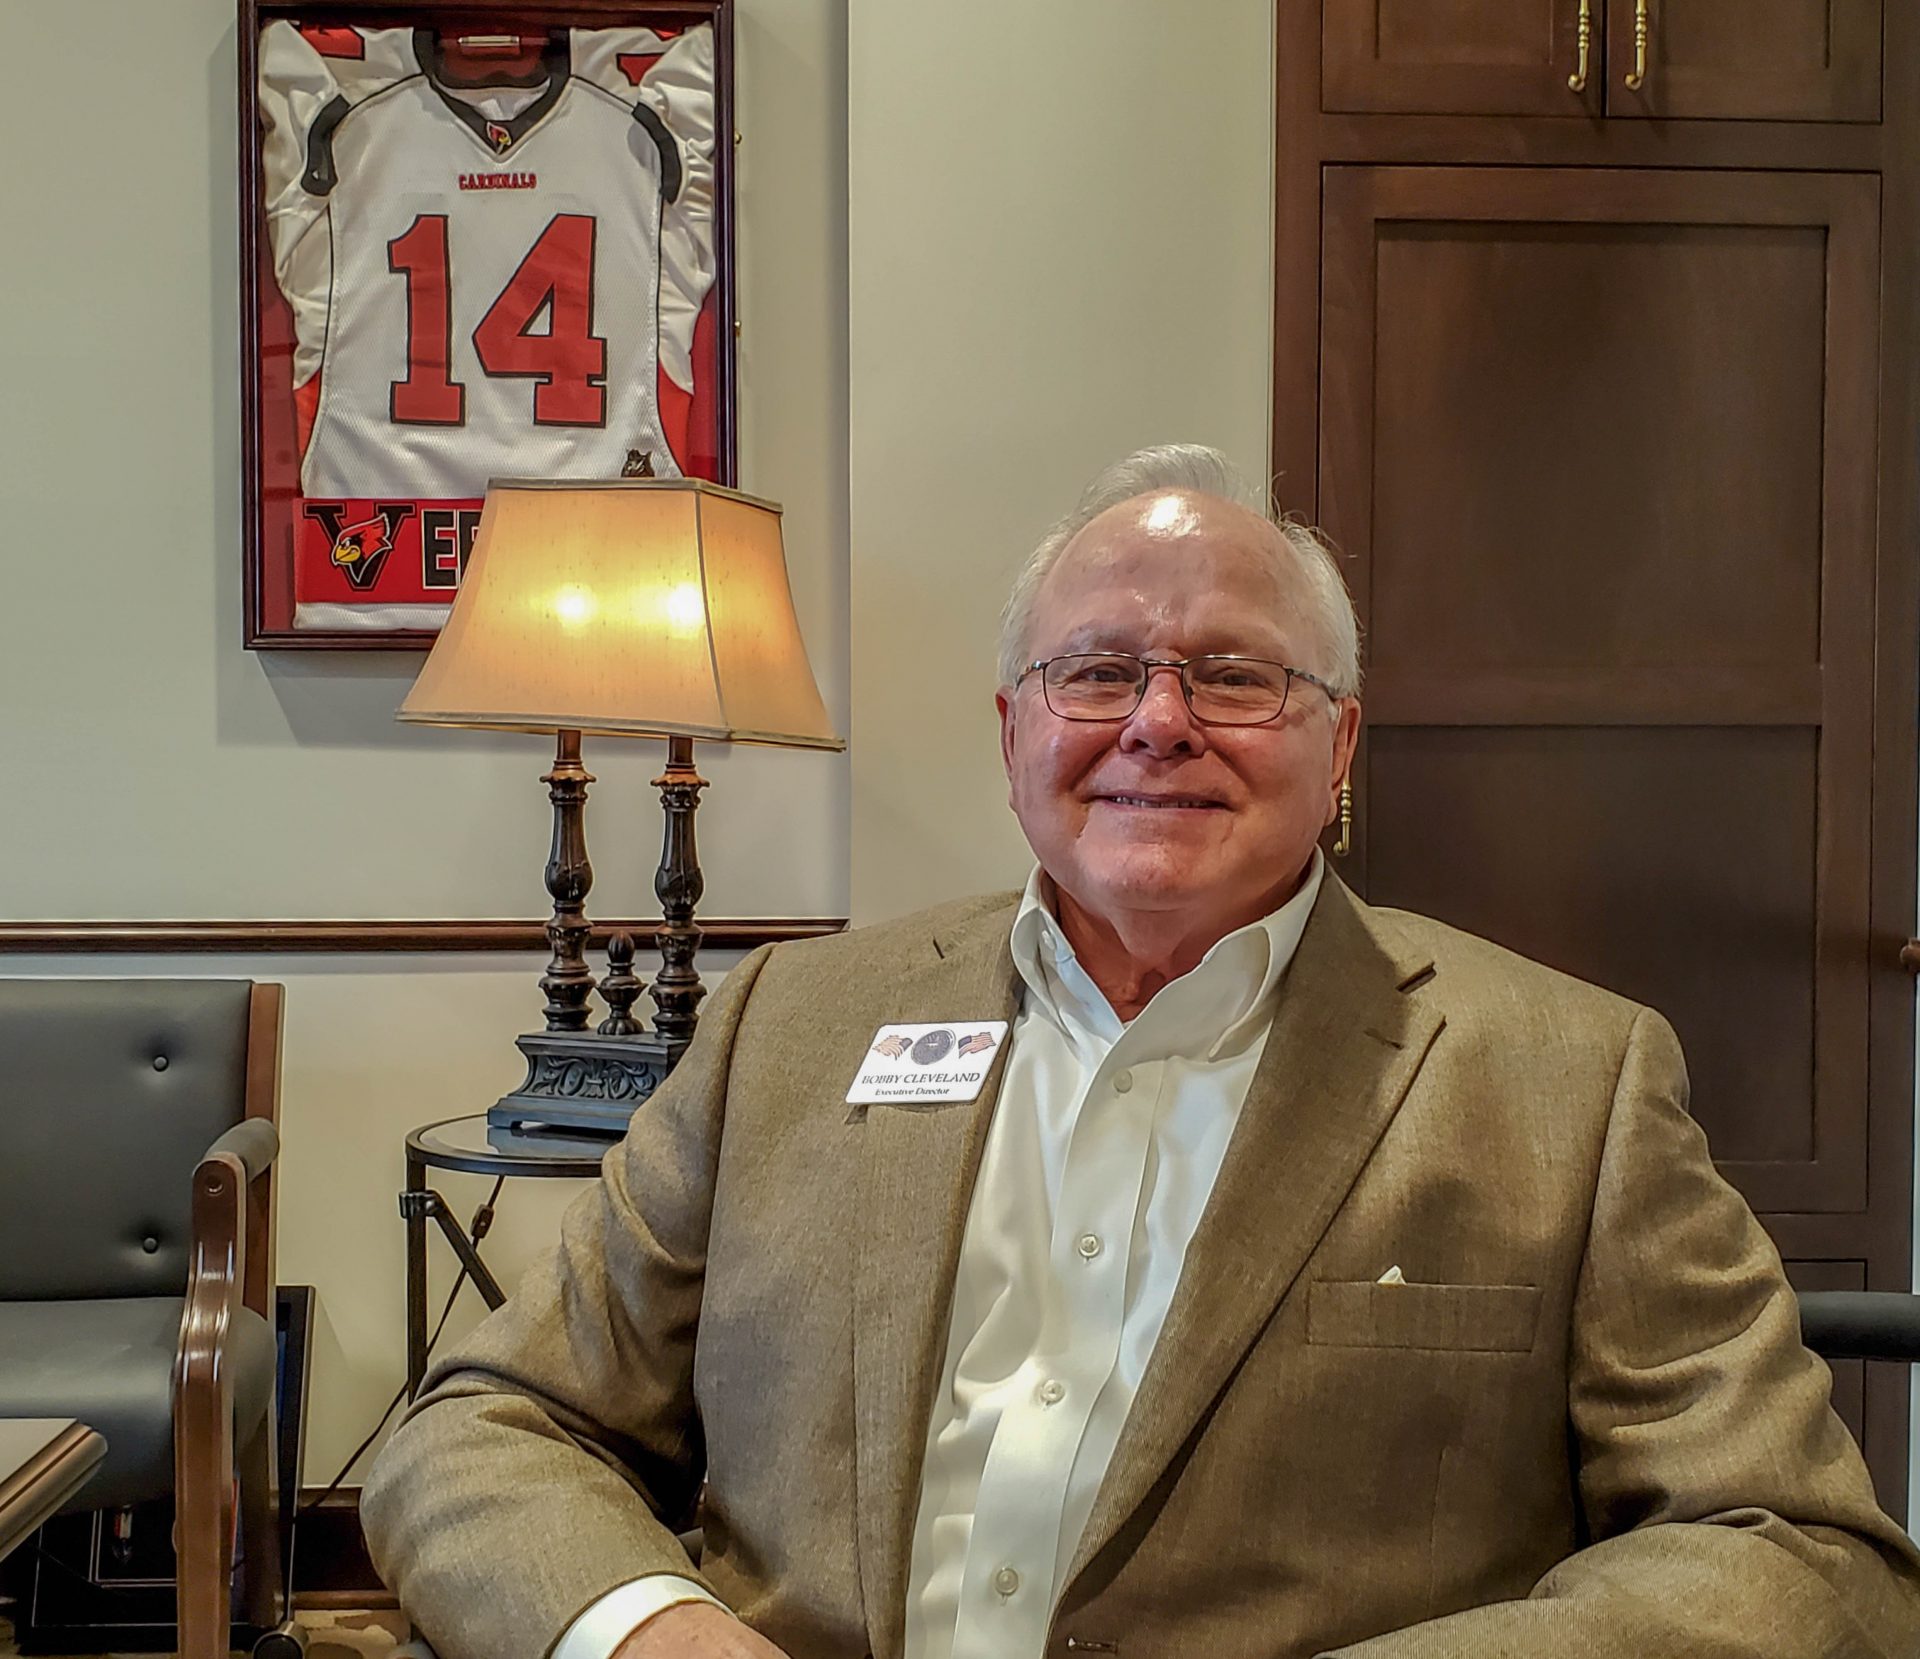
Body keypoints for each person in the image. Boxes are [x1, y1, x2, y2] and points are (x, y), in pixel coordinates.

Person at [363, 445, 1920, 1659]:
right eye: (1097, 672)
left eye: (1236, 676)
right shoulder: (790, 1030)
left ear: (1343, 744)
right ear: (1014, 730)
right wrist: (656, 1632)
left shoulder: (1570, 1085)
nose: (1158, 721)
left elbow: (1796, 1553)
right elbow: (488, 1426)